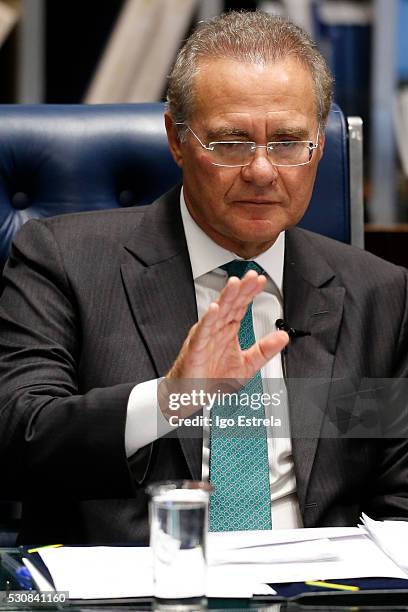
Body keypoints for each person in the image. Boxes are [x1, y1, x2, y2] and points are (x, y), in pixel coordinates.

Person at [0, 11, 407, 545]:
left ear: (320, 146)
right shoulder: (64, 259)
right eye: (231, 142)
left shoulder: (376, 293)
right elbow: (19, 437)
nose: (262, 170)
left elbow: (396, 495)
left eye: (287, 142)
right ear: (176, 138)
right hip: (138, 589)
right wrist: (170, 398)